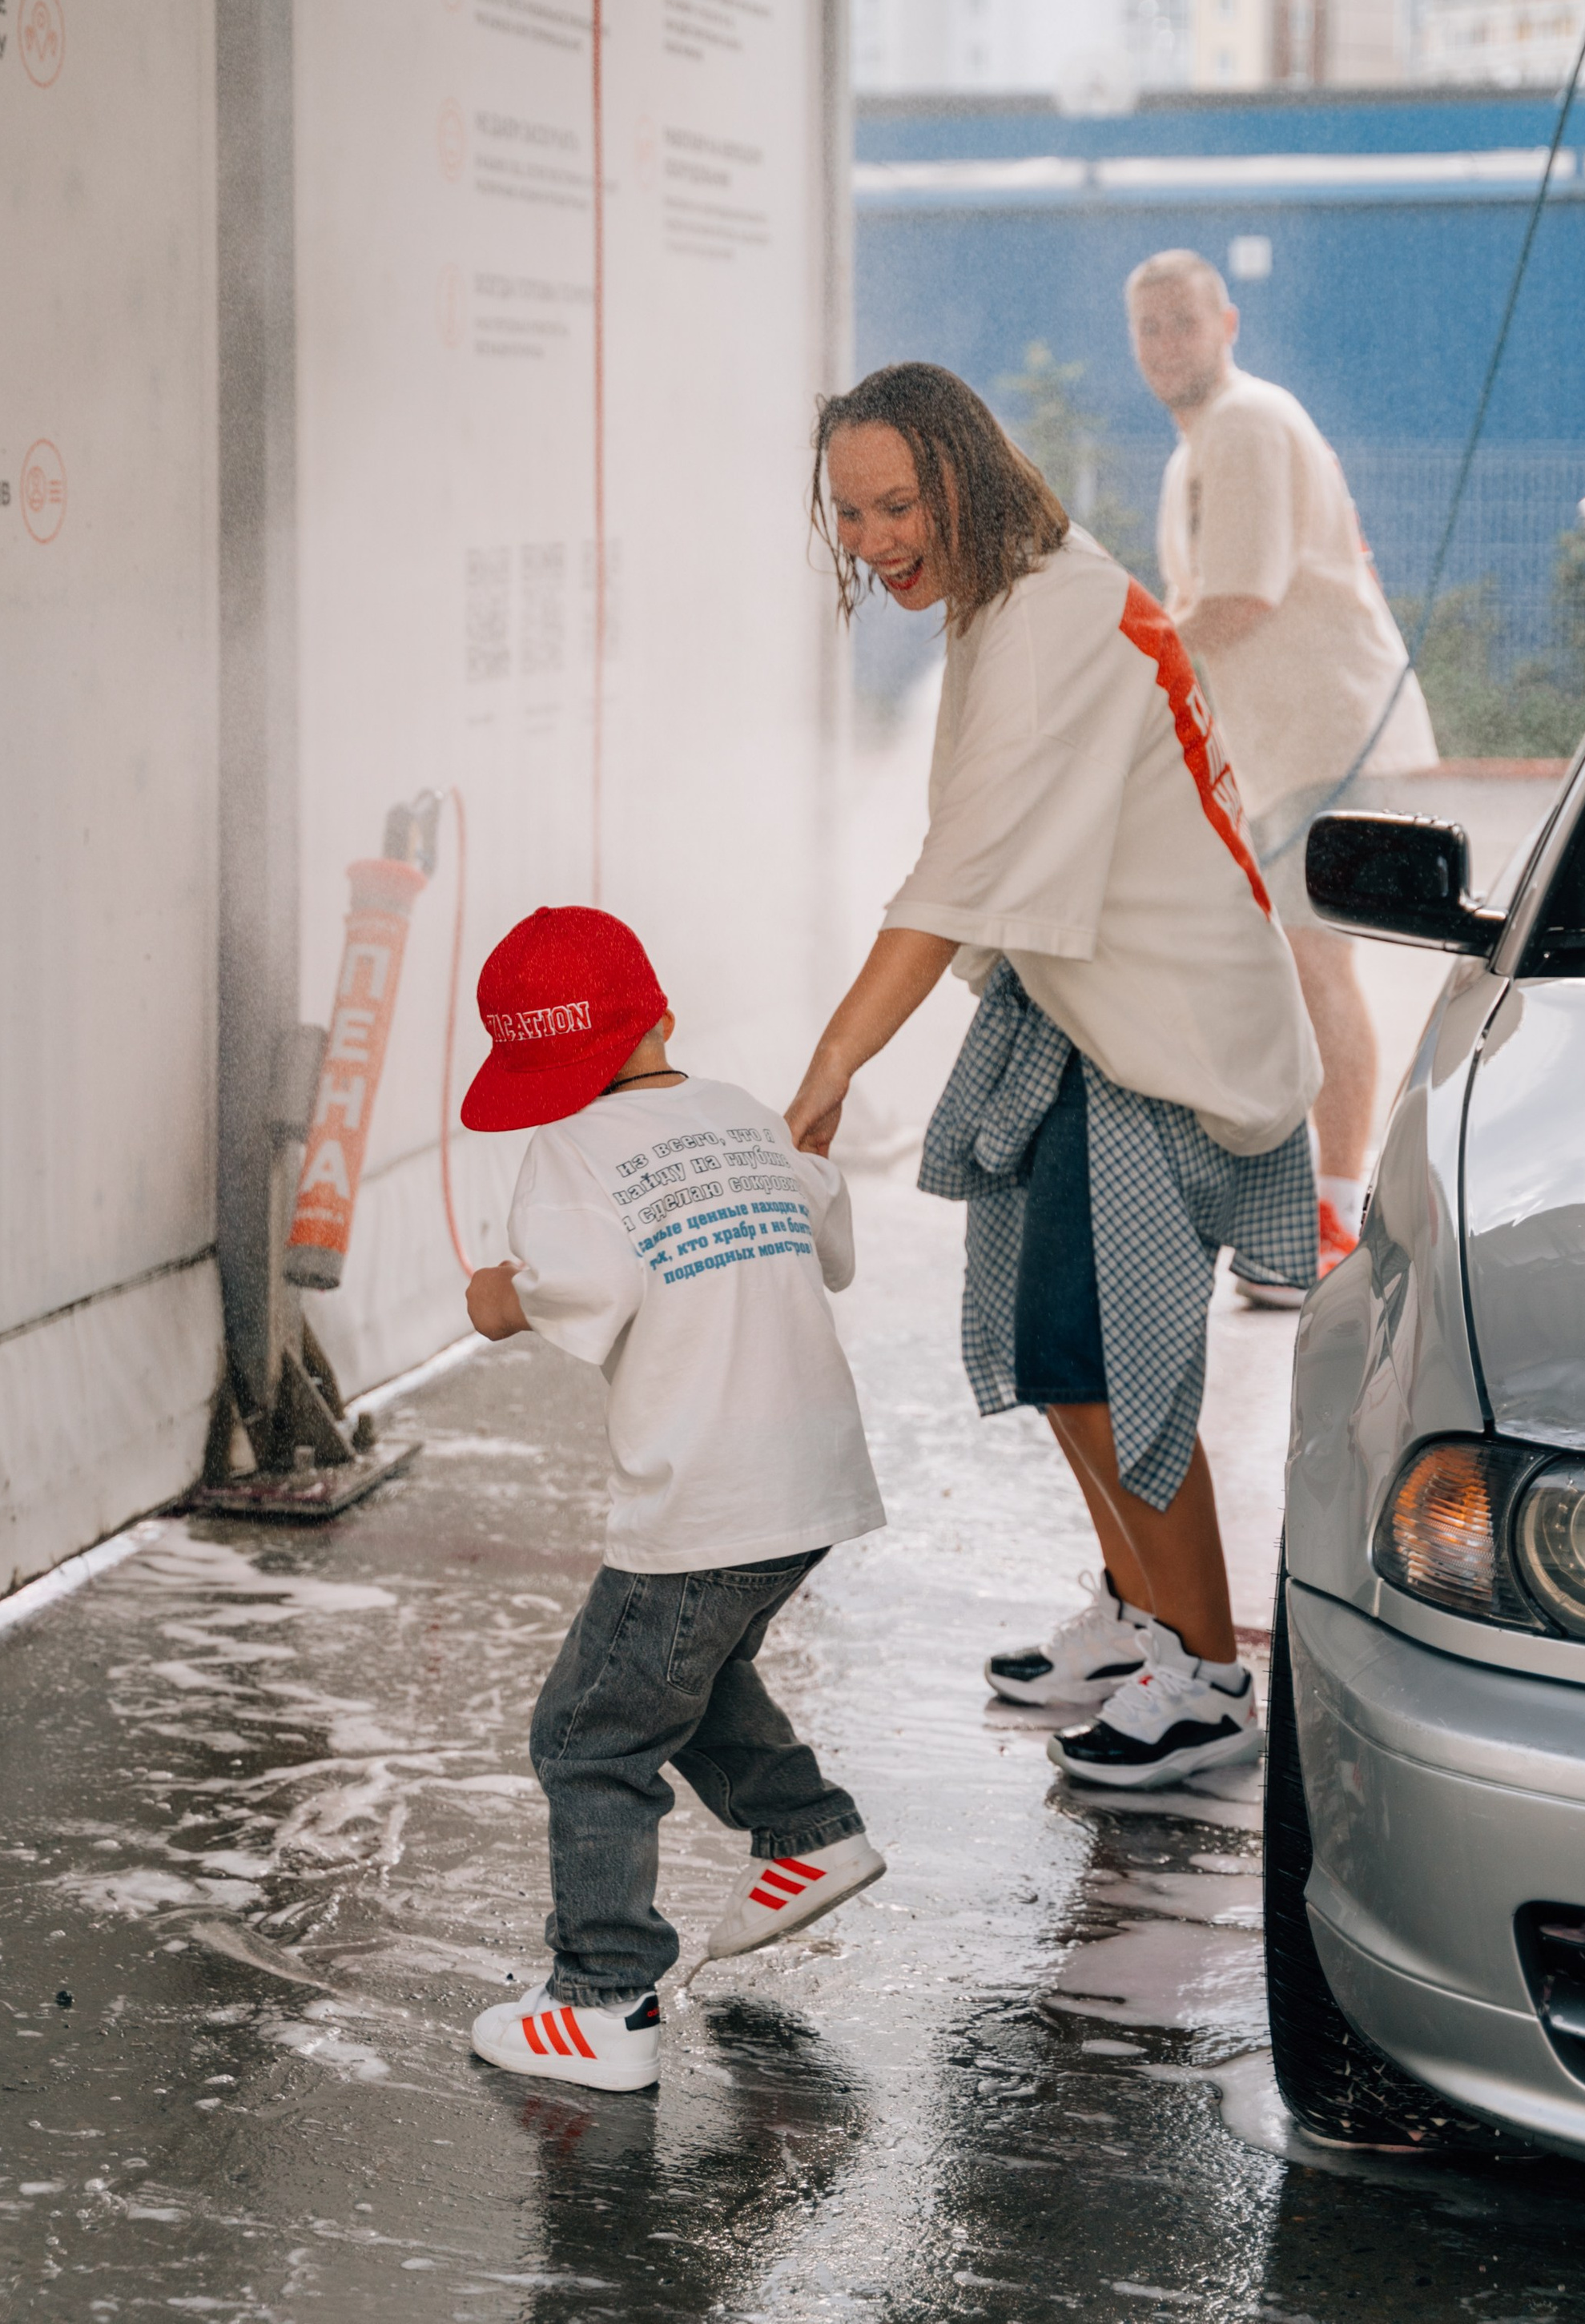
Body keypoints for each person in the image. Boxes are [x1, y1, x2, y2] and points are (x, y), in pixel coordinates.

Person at [786, 363, 1321, 1795]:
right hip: (1093, 1022)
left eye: (899, 502)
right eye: (850, 511)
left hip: (1169, 1043)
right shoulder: (1017, 601)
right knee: (1050, 1352)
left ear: (965, 476)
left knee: (1105, 1367)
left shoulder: (1051, 622)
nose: (876, 536)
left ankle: (1206, 1677)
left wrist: (832, 1063)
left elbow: (956, 879)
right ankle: (1144, 1619)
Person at [457, 903, 887, 2093]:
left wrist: (498, 1298)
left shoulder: (570, 1154)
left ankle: (601, 2000)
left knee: (590, 1732)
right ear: (660, 1016)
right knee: (679, 1677)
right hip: (810, 1486)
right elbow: (826, 1230)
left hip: (705, 1496)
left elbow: (580, 1287)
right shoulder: (745, 1116)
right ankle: (808, 1834)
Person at [1127, 251, 1438, 1302]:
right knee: (1278, 976)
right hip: (1285, 745)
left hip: (1329, 736)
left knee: (1313, 971)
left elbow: (1241, 602)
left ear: (1229, 321)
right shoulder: (1199, 449)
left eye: (1184, 322)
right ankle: (1308, 1201)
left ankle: (1336, 1222)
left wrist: (1117, 659)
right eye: (1150, 328)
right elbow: (1205, 612)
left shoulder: (1248, 426)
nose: (1168, 344)